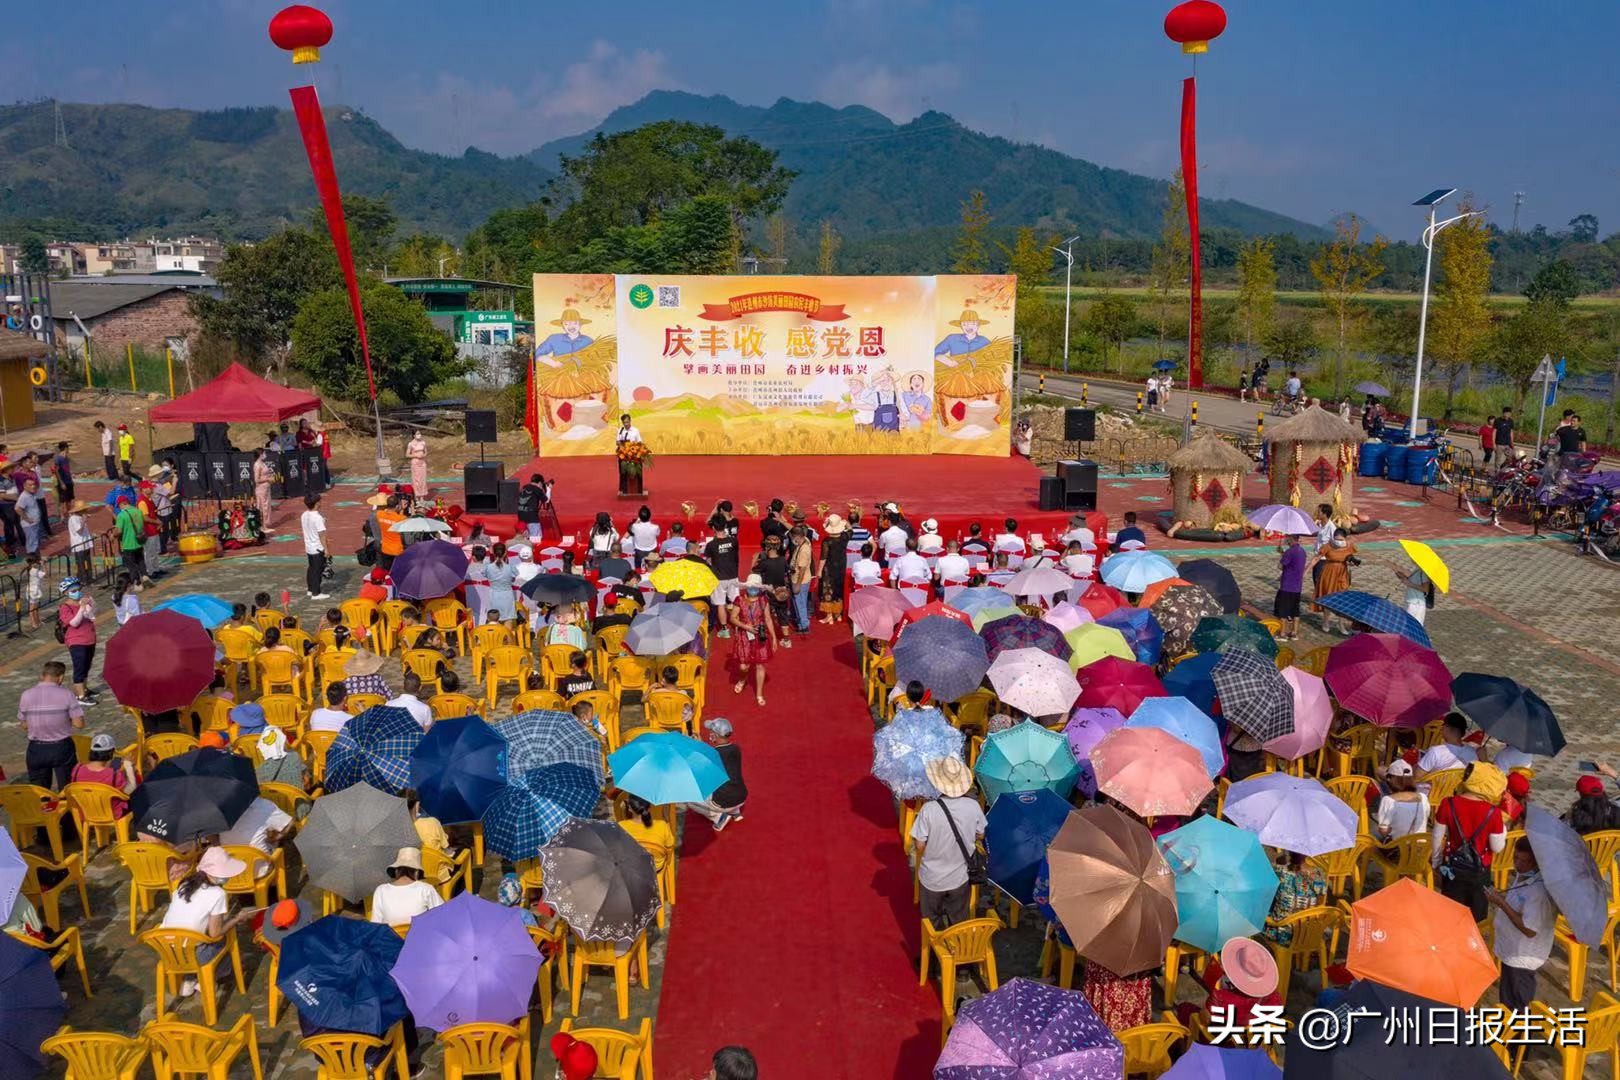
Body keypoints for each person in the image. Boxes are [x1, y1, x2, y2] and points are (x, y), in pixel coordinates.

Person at [161, 848, 255, 996]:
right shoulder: (218, 894)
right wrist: (237, 919)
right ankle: (207, 979)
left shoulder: (184, 884)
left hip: (168, 951)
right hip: (195, 955)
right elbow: (215, 933)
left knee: (197, 938)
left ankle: (189, 979)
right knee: (226, 938)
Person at [910, 756, 986, 929]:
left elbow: (920, 846)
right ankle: (955, 949)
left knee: (931, 922)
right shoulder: (973, 806)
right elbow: (980, 834)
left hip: (932, 878)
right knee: (958, 920)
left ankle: (932, 952)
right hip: (960, 877)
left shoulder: (928, 809)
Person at [1431, 762, 1508, 921]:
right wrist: (1504, 829)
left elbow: (1437, 838)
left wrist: (1436, 864)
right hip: (1479, 871)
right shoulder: (1493, 813)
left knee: (1449, 913)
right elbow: (1497, 847)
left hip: (1452, 866)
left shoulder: (1447, 803)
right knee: (1476, 917)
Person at [1487, 843, 1553, 1012]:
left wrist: (1501, 903)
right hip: (1511, 949)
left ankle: (1518, 1037)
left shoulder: (1538, 892)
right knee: (1507, 1000)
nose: (1518, 864)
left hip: (1522, 957)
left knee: (1518, 1006)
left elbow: (1529, 930)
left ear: (1536, 863)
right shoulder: (1524, 875)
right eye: (1516, 858)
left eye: (1525, 861)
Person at [19, 661, 84, 788]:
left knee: (41, 791)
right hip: (61, 748)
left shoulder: (26, 695)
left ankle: (45, 806)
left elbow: (24, 725)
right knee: (67, 787)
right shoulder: (66, 694)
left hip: (36, 749)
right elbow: (79, 724)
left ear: (42, 675)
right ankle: (67, 806)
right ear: (61, 677)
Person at [1262, 852, 1328, 946]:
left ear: (1289, 854)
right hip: (1310, 930)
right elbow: (1321, 901)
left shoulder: (1279, 871)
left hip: (1283, 933)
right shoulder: (1319, 873)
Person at [730, 575, 777, 706]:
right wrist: (746, 627)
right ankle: (742, 679)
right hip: (744, 636)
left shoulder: (764, 601)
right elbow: (733, 618)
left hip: (760, 636)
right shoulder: (739, 600)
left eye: (756, 587)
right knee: (743, 666)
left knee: (760, 665)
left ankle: (759, 694)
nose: (753, 589)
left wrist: (773, 637)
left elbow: (768, 619)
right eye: (751, 586)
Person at [370, 848, 443, 926]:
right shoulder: (426, 889)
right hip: (419, 936)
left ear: (396, 870)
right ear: (417, 871)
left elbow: (375, 923)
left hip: (390, 937)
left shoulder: (381, 890)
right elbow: (442, 914)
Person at [71, 732, 137, 812]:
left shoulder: (77, 769)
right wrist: (128, 765)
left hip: (86, 812)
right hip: (111, 813)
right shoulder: (114, 775)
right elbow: (131, 789)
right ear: (111, 753)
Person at [57, 581, 99, 704]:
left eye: (78, 589)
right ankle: (80, 696)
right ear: (66, 593)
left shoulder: (83, 601)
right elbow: (74, 623)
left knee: (87, 665)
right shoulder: (65, 607)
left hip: (89, 638)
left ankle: (85, 689)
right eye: (73, 591)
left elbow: (93, 614)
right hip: (76, 641)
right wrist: (81, 608)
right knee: (79, 666)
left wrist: (91, 602)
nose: (77, 592)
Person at [1311, 529, 1357, 633]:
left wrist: (1352, 562)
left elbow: (1352, 560)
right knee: (1328, 596)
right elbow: (1316, 558)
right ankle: (1326, 621)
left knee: (1342, 598)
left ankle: (1341, 624)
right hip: (1329, 572)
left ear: (1345, 538)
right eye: (1336, 539)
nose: (1338, 542)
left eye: (1341, 539)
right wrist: (1306, 570)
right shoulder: (1328, 546)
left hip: (1342, 573)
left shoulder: (1349, 546)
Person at [1375, 759, 1431, 840]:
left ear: (1391, 780)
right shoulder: (1423, 798)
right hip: (1420, 848)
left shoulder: (1388, 800)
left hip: (1398, 848)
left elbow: (1383, 831)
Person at [1413, 712, 1477, 782]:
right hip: (1455, 791)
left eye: (1443, 725)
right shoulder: (1473, 753)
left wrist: (1415, 765)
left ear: (1450, 728)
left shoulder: (1435, 751)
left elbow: (1417, 776)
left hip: (1431, 791)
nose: (1441, 729)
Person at [817, 514, 850, 624]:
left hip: (829, 569)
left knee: (828, 591)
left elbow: (823, 558)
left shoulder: (827, 541)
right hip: (841, 568)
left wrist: (819, 571)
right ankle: (838, 614)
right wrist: (845, 523)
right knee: (838, 590)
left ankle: (829, 616)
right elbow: (850, 529)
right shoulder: (845, 537)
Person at [1565, 769, 1620, 834]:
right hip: (1612, 843)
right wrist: (1611, 772)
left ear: (1581, 794)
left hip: (1586, 844)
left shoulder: (1574, 816)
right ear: (1602, 791)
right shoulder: (1616, 807)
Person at [1274, 533, 1306, 641]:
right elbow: (1293, 563)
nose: (1286, 539)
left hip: (1287, 585)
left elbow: (1281, 566)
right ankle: (1294, 632)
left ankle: (1282, 633)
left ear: (1291, 539)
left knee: (1283, 610)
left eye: (1288, 538)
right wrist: (1282, 553)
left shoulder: (1290, 552)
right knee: (1295, 610)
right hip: (1297, 586)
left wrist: (1281, 556)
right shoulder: (1302, 551)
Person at [301, 493, 330, 601]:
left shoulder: (304, 515)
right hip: (318, 548)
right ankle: (316, 593)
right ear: (317, 503)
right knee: (317, 570)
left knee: (311, 568)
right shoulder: (317, 518)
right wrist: (326, 549)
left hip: (309, 547)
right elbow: (322, 535)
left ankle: (310, 589)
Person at [787, 523, 816, 634]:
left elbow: (802, 569)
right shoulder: (805, 541)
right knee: (799, 601)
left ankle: (803, 625)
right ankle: (800, 621)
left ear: (797, 537)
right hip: (800, 578)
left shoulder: (804, 550)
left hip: (800, 580)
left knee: (800, 603)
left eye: (793, 538)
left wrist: (798, 584)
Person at [66, 499, 94, 580]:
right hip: (79, 544)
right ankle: (83, 578)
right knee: (81, 563)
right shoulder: (73, 519)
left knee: (87, 561)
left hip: (85, 543)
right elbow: (79, 531)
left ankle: (89, 576)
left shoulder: (79, 517)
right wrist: (84, 521)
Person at [15, 476, 42, 555]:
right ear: (24, 486)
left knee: (35, 541)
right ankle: (32, 562)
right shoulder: (24, 496)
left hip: (35, 523)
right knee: (32, 543)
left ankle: (37, 559)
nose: (33, 486)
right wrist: (27, 519)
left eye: (33, 484)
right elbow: (17, 508)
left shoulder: (31, 494)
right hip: (29, 525)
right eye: (30, 485)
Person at [628, 505, 660, 570]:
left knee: (638, 570)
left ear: (639, 517)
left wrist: (637, 521)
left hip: (639, 553)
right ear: (650, 516)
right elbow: (657, 534)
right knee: (652, 569)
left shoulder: (635, 526)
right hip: (651, 552)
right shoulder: (655, 527)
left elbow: (630, 530)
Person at [517, 473, 546, 542]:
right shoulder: (537, 489)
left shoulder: (524, 487)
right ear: (539, 483)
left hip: (521, 518)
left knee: (524, 540)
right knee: (536, 540)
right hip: (532, 518)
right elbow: (546, 500)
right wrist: (548, 489)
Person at [252, 448, 275, 527]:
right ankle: (262, 526)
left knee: (267, 506)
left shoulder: (262, 463)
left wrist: (270, 477)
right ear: (260, 455)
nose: (265, 455)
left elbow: (264, 475)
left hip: (266, 488)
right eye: (264, 453)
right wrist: (268, 479)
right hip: (261, 489)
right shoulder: (257, 465)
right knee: (262, 507)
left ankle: (266, 524)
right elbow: (256, 480)